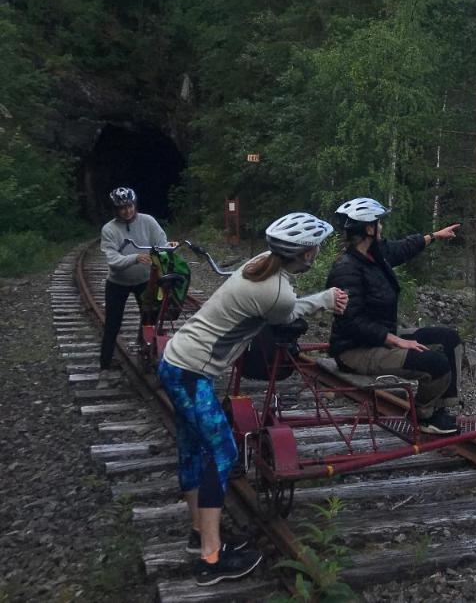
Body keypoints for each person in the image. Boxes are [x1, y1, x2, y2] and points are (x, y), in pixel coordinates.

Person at [158, 212, 349, 586]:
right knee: (223, 452)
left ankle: (199, 534)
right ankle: (210, 561)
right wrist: (325, 299)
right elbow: (288, 312)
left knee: (193, 449)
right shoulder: (275, 290)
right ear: (306, 255)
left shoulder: (259, 263)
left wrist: (320, 298)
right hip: (192, 373)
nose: (317, 253)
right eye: (315, 248)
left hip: (177, 362)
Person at [326, 197, 463, 435]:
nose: (382, 227)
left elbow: (403, 247)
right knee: (436, 364)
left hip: (380, 337)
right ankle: (422, 415)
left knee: (449, 339)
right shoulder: (346, 269)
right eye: (378, 223)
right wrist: (396, 340)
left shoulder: (376, 254)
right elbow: (352, 323)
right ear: (368, 228)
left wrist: (434, 236)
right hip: (356, 350)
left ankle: (439, 410)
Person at [98, 186, 167, 370]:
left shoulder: (148, 221)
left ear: (134, 204)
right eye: (122, 208)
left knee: (149, 318)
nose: (127, 211)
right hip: (117, 282)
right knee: (113, 324)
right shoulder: (109, 229)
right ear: (115, 210)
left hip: (144, 280)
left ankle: (148, 355)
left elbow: (162, 244)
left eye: (129, 206)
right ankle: (105, 363)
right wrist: (135, 257)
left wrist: (162, 255)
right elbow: (113, 260)